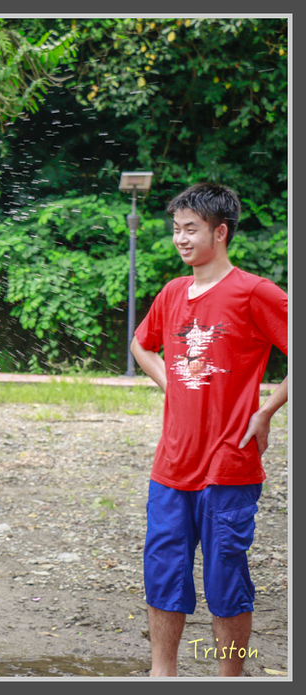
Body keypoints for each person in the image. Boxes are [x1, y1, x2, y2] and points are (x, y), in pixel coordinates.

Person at [130, 182, 288, 677]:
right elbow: (143, 344)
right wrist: (172, 388)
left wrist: (267, 410)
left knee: (227, 581)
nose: (180, 239)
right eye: (176, 229)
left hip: (230, 464)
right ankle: (163, 673)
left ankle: (229, 679)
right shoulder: (174, 292)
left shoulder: (255, 292)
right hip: (171, 465)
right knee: (163, 574)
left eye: (191, 229)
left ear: (220, 232)